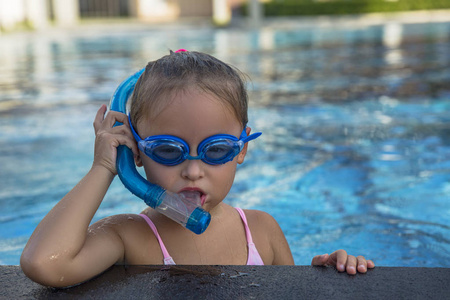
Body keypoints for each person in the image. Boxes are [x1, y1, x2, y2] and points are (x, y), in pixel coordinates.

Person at [20, 50, 374, 288]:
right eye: (167, 151)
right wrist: (103, 167)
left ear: (242, 148)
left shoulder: (263, 231)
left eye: (216, 149)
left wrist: (329, 272)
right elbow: (45, 264)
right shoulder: (129, 236)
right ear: (137, 154)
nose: (192, 170)